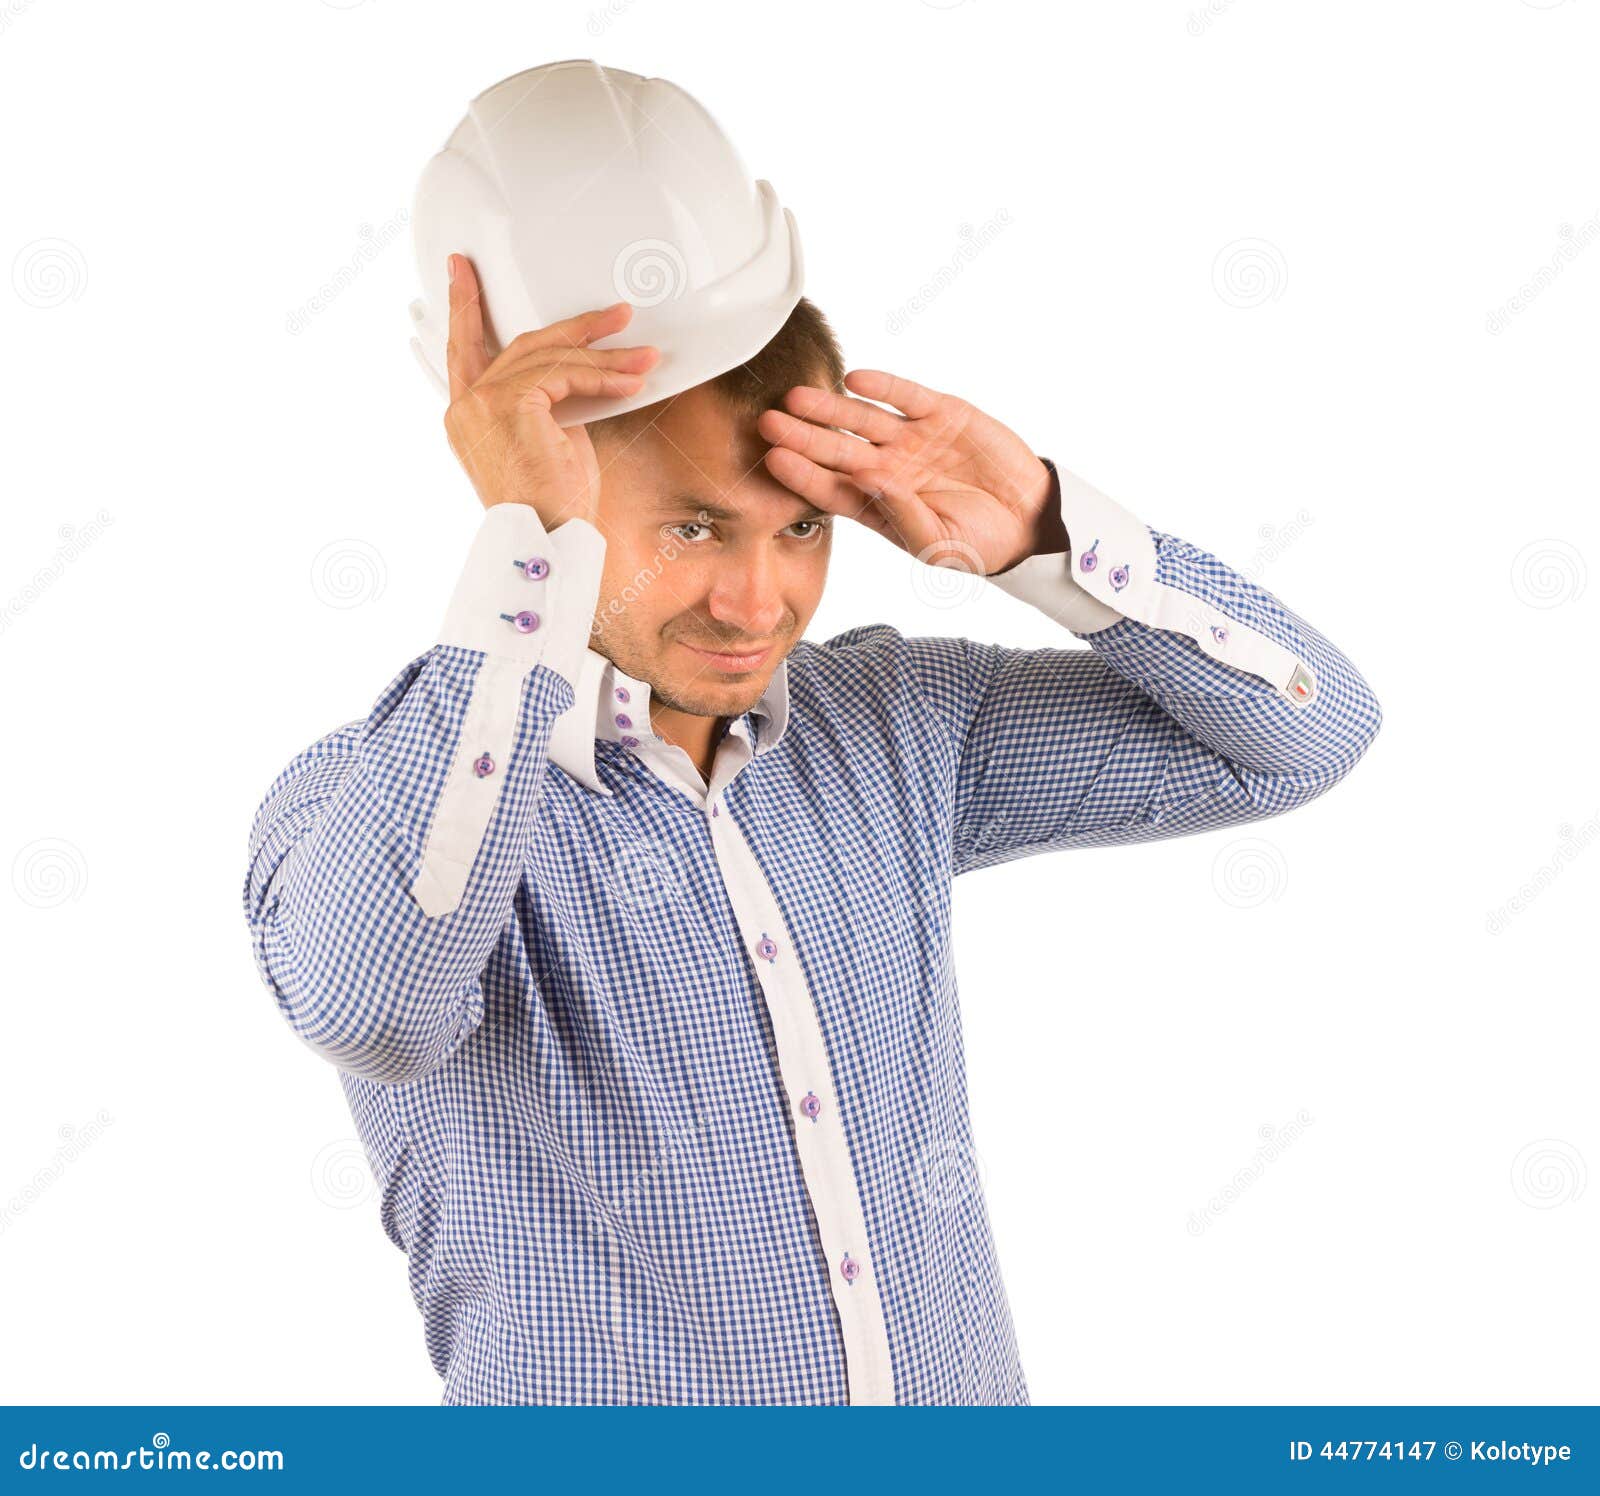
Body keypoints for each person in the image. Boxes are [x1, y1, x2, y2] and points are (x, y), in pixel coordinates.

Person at [242, 251, 1381, 1406]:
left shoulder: (900, 725)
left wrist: (1050, 536)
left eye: (797, 531)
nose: (755, 602)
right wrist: (522, 550)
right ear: (556, 509)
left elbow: (1304, 732)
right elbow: (370, 1007)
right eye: (691, 529)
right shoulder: (364, 804)